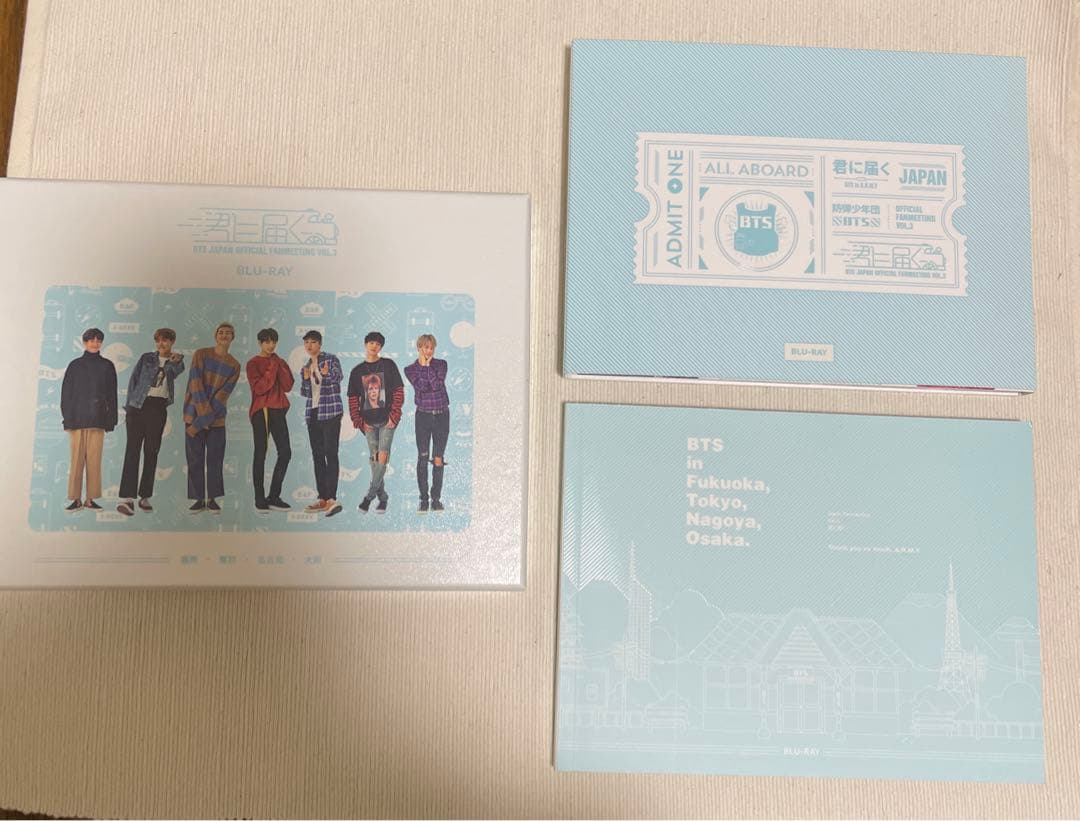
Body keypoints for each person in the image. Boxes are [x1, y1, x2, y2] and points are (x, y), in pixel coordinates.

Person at [116, 328, 185, 516]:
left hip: (158, 407)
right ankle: (127, 498)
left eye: (165, 341)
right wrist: (129, 406)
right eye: (158, 341)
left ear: (172, 342)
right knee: (132, 451)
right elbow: (134, 380)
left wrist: (175, 360)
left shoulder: (176, 362)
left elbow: (176, 371)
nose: (161, 344)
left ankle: (145, 496)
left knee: (151, 452)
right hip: (138, 406)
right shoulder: (146, 358)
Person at [182, 322, 240, 514]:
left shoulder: (235, 365)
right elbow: (195, 384)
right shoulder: (201, 354)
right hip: (193, 414)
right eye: (221, 332)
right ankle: (198, 499)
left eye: (228, 333)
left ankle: (212, 499)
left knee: (215, 459)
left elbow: (222, 396)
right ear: (216, 336)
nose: (224, 335)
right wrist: (200, 419)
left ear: (233, 338)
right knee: (194, 459)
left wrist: (202, 421)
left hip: (216, 420)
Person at [60, 328, 117, 512]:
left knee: (94, 461)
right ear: (84, 342)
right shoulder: (75, 365)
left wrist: (111, 420)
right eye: (91, 340)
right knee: (76, 461)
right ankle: (75, 499)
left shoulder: (107, 366)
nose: (95, 343)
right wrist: (67, 418)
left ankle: (90, 499)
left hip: (98, 420)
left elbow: (112, 395)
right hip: (76, 420)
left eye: (98, 340)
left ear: (102, 343)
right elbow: (66, 394)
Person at [347, 331, 403, 513]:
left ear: (381, 347)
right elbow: (352, 398)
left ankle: (367, 498)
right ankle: (383, 498)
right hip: (368, 423)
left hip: (387, 420)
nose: (374, 346)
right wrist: (358, 421)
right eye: (371, 343)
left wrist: (394, 416)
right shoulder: (357, 371)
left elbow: (398, 391)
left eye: (378, 344)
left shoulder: (388, 365)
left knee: (382, 457)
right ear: (365, 344)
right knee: (374, 461)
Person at [246, 328, 294, 513]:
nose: (271, 345)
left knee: (286, 452)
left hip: (278, 409)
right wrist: (273, 366)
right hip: (262, 410)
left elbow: (288, 386)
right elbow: (259, 388)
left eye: (273, 341)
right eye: (267, 341)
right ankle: (259, 497)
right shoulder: (253, 363)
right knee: (261, 452)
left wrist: (278, 365)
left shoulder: (279, 361)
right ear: (260, 343)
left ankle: (274, 496)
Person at [299, 330, 344, 517]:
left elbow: (338, 378)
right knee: (317, 456)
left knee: (330, 453)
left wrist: (326, 374)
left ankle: (332, 498)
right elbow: (305, 393)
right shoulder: (306, 366)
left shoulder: (331, 359)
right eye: (306, 342)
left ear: (319, 344)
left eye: (313, 342)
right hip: (313, 413)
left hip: (331, 411)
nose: (309, 346)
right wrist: (306, 379)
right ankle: (323, 498)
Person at [403, 333, 450, 512]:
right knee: (422, 458)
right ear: (419, 348)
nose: (429, 351)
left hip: (442, 416)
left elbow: (437, 385)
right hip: (423, 417)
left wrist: (428, 366)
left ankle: (436, 499)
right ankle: (423, 499)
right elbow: (422, 387)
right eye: (425, 347)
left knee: (438, 459)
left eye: (431, 348)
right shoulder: (410, 369)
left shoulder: (441, 364)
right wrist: (423, 367)